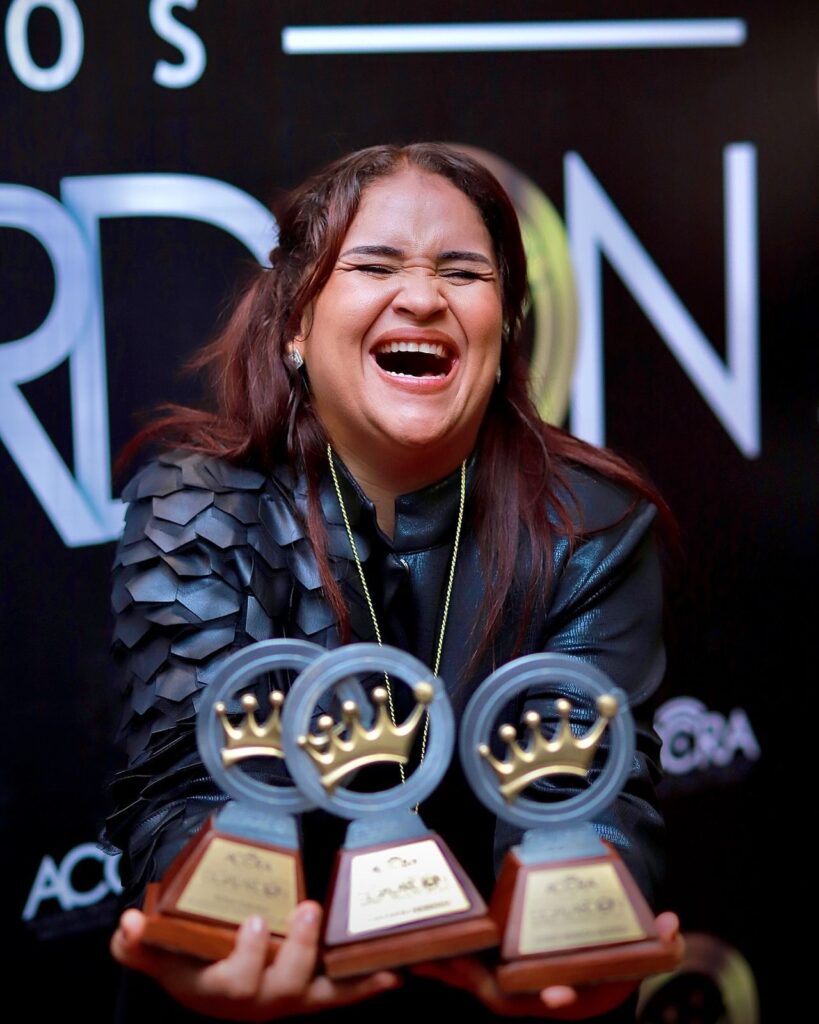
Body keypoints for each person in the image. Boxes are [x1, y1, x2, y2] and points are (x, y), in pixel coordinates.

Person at [104, 142, 682, 1021]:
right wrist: (213, 932)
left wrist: (582, 943)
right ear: (295, 325)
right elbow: (186, 781)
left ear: (505, 325)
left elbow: (585, 792)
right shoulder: (193, 507)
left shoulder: (590, 525)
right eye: (374, 266)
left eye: (463, 271)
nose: (421, 297)